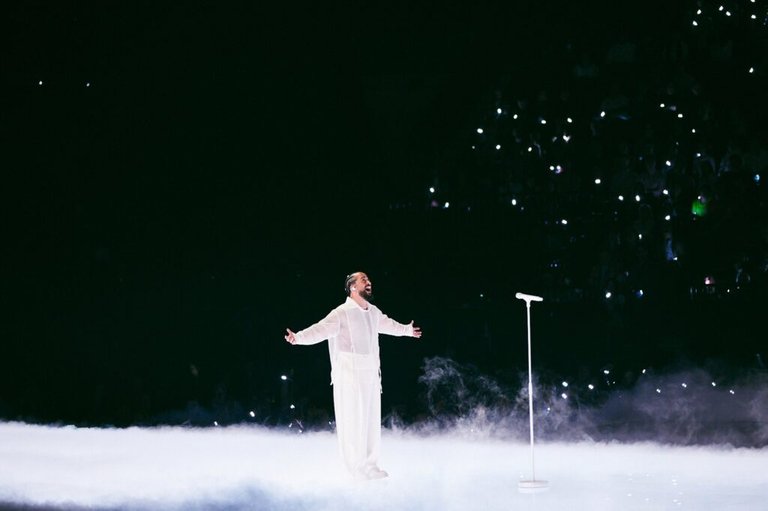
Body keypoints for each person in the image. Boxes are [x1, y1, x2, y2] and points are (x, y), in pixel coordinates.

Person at [284, 271, 422, 480]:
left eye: (368, 280)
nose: (369, 282)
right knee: (353, 421)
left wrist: (407, 330)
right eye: (364, 280)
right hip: (349, 374)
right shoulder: (342, 312)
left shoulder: (373, 312)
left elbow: (389, 325)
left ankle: (371, 465)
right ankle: (356, 468)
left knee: (370, 421)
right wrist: (299, 337)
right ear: (352, 287)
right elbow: (320, 330)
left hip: (371, 373)